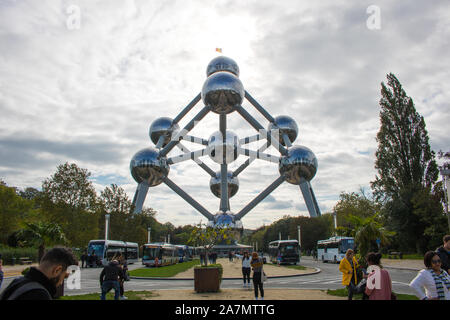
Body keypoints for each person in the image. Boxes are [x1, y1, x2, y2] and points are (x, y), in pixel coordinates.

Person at [0, 247, 78, 300]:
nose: (61, 283)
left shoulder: (18, 282)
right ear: (57, 270)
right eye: (64, 277)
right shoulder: (39, 294)